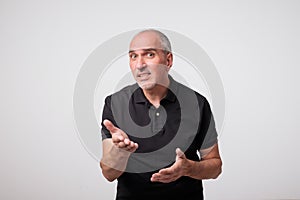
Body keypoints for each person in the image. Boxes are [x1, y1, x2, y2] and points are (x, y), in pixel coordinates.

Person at [100, 29, 222, 200]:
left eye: (149, 54)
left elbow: (215, 167)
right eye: (133, 56)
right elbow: (108, 173)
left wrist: (189, 168)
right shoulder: (115, 103)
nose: (139, 64)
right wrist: (120, 153)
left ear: (168, 60)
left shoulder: (197, 103)